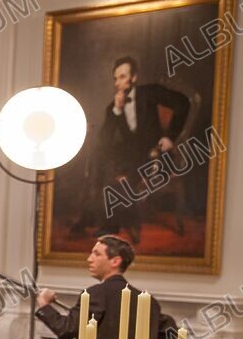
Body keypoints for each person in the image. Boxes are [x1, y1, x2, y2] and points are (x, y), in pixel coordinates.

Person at [74, 57, 191, 242]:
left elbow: (183, 103)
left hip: (156, 154)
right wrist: (117, 112)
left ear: (134, 77)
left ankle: (105, 221)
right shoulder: (113, 106)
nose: (118, 82)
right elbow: (105, 139)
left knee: (118, 168)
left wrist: (170, 136)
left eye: (122, 76)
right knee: (99, 156)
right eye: (115, 78)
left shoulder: (150, 92)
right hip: (131, 155)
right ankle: (96, 216)